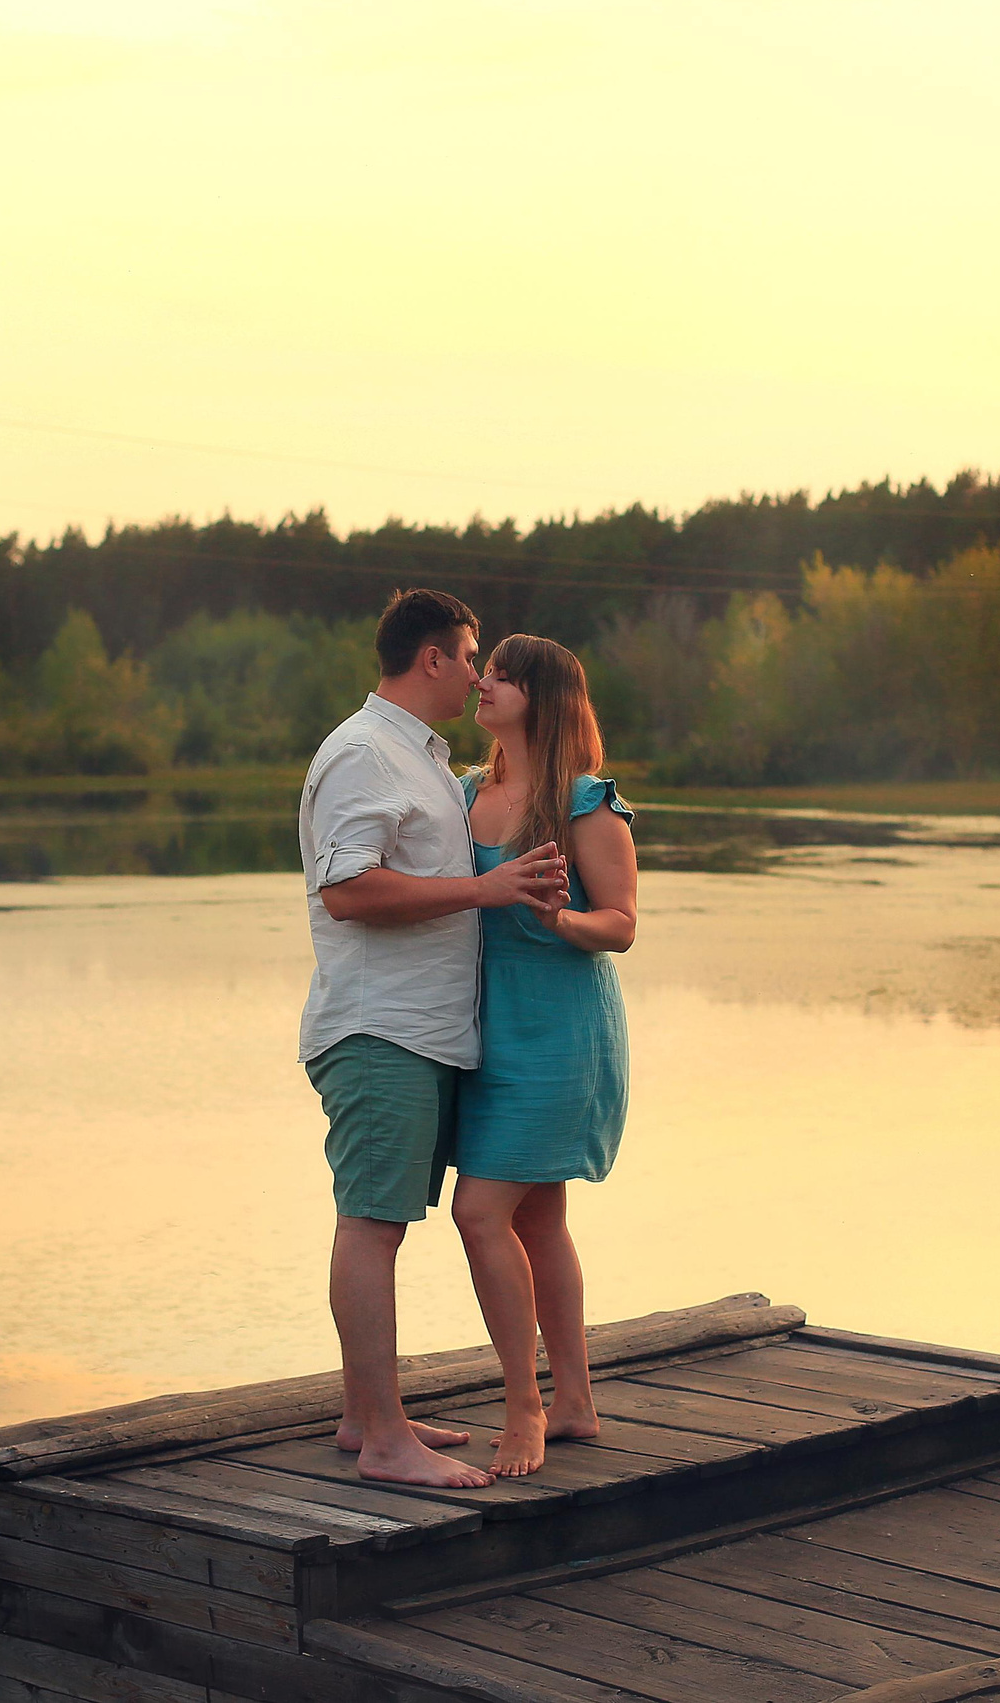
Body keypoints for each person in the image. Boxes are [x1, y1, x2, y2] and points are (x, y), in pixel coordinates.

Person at [298, 589, 570, 1488]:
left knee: (382, 1225)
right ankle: (384, 1443)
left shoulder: (417, 759)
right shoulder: (363, 754)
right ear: (433, 659)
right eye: (471, 652)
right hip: (381, 1030)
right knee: (371, 1226)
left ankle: (365, 1416)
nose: (478, 668)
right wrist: (488, 892)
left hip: (422, 1034)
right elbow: (348, 889)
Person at [449, 634, 638, 1477]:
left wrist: (562, 920)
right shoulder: (465, 793)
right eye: (483, 669)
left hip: (562, 1037)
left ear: (544, 697)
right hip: (487, 1036)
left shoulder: (584, 802)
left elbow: (623, 925)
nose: (482, 681)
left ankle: (525, 1409)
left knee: (478, 1213)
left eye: (501, 675)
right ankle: (576, 1401)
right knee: (539, 1218)